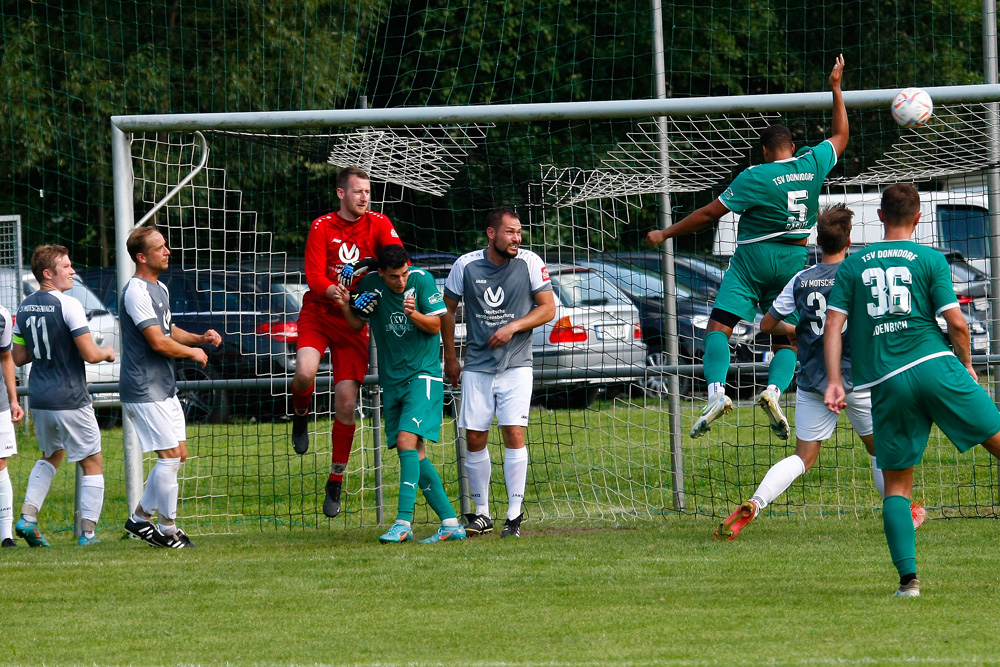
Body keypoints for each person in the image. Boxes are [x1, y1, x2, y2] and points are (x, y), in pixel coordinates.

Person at [645, 54, 848, 441]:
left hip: (753, 261)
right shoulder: (813, 164)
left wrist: (665, 234)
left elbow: (708, 215)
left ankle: (717, 393)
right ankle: (773, 391)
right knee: (786, 335)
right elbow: (840, 136)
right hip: (793, 258)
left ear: (767, 151)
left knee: (718, 328)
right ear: (793, 145)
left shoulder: (756, 176)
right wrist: (836, 88)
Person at [824, 184, 1000, 597]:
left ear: (881, 216)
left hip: (886, 382)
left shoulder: (852, 265)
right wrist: (968, 366)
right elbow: (957, 324)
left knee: (898, 487)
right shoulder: (930, 258)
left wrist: (835, 380)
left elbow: (834, 326)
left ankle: (909, 582)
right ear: (919, 218)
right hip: (935, 367)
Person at [714, 204, 923, 540]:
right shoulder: (859, 274)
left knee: (803, 458)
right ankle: (903, 511)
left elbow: (766, 324)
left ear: (817, 240)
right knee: (881, 451)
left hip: (813, 382)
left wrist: (796, 330)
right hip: (859, 380)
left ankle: (756, 501)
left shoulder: (801, 279)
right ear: (850, 239)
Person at [290, 166, 403, 519]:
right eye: (358, 192)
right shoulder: (322, 226)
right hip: (320, 312)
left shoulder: (379, 223)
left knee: (345, 403)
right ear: (342, 194)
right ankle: (300, 414)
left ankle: (335, 480)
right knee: (305, 374)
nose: (365, 197)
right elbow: (313, 275)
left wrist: (375, 277)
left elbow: (397, 258)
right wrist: (332, 290)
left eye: (368, 191)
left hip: (353, 320)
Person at [335, 245, 466, 544]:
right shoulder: (370, 284)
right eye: (394, 276)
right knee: (415, 454)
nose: (401, 281)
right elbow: (357, 323)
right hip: (392, 382)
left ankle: (402, 523)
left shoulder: (422, 281)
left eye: (404, 273)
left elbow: (435, 325)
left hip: (423, 375)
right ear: (380, 272)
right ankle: (450, 523)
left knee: (408, 441)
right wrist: (346, 305)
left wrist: (414, 313)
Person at [442, 206, 555, 538]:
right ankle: (482, 513)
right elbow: (445, 311)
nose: (517, 238)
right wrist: (451, 357)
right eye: (510, 232)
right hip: (476, 365)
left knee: (513, 433)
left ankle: (514, 514)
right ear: (491, 234)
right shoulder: (465, 265)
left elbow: (548, 308)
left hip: (517, 366)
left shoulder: (530, 263)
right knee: (474, 437)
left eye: (519, 232)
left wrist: (513, 327)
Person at [120, 226, 222, 548]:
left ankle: (139, 519)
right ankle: (167, 529)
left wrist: (199, 339)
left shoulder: (159, 288)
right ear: (141, 257)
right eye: (159, 247)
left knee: (178, 456)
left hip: (163, 386)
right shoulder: (135, 291)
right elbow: (157, 343)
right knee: (168, 456)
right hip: (143, 387)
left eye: (165, 245)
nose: (167, 251)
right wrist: (192, 353)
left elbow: (169, 330)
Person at [11, 245, 116, 546]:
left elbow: (18, 357)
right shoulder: (68, 305)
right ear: (48, 273)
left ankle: (28, 518)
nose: (72, 271)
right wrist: (107, 353)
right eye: (66, 267)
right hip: (70, 397)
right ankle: (88, 534)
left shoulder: (25, 305)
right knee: (92, 462)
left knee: (51, 455)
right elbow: (90, 354)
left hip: (40, 396)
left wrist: (50, 347)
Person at [0, 303, 24, 547]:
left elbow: (6, 358)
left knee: (0, 463)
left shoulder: (2, 316)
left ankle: (6, 535)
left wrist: (13, 400)